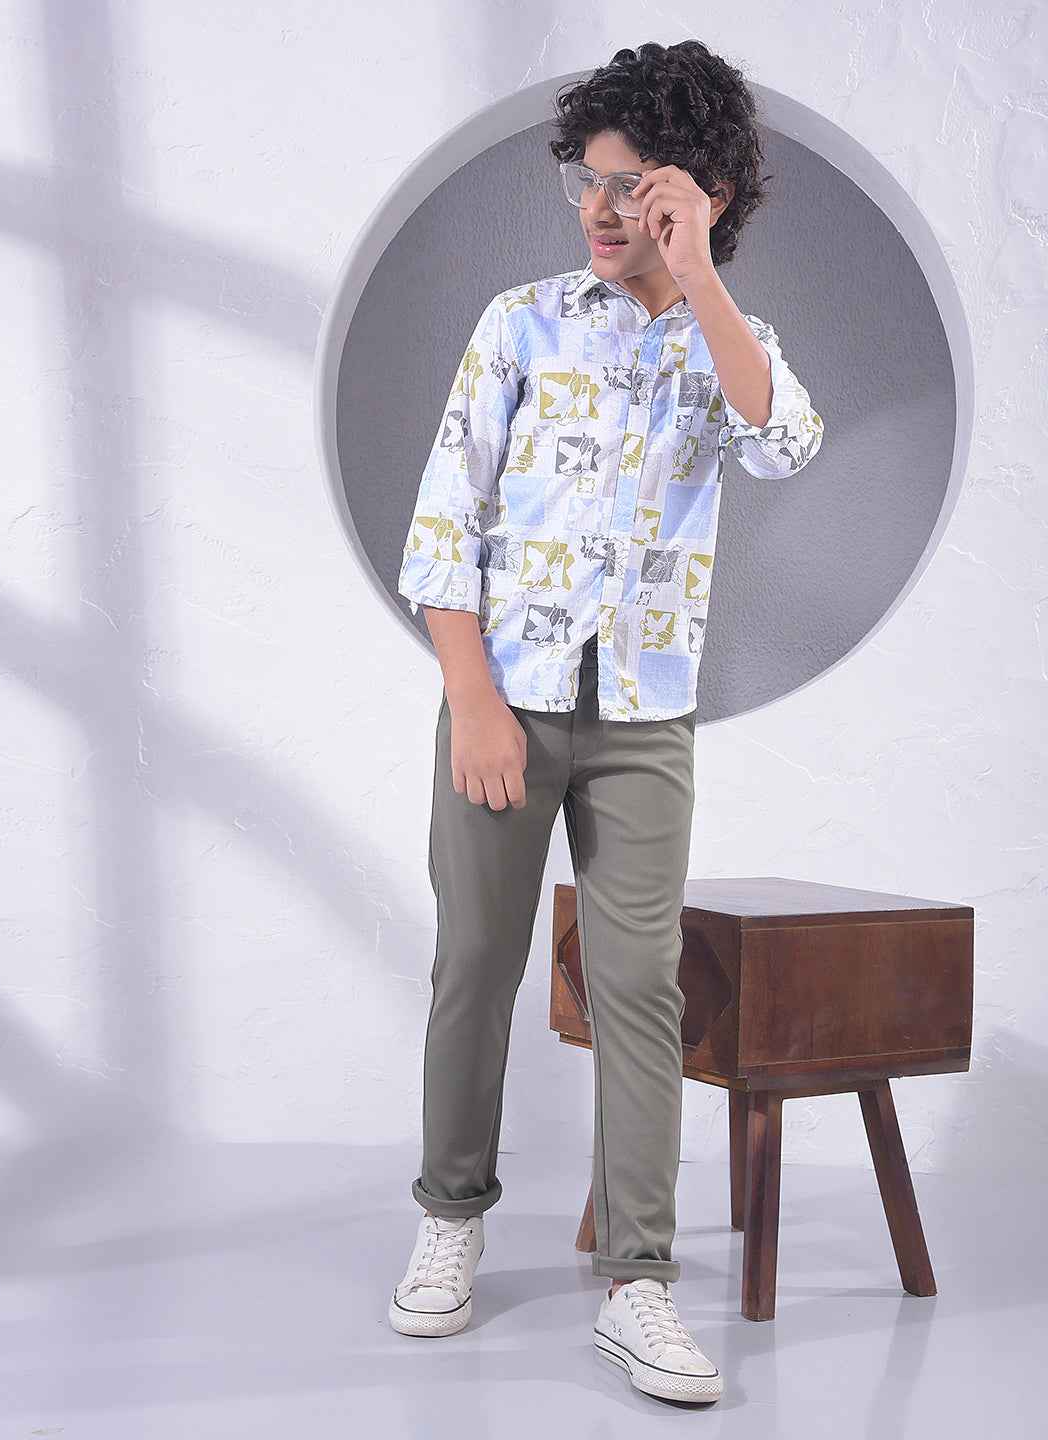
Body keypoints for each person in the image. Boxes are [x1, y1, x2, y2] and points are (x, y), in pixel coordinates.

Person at [388, 38, 824, 1405]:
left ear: (700, 195)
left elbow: (785, 442)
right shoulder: (521, 324)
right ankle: (449, 1219)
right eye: (589, 177)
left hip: (644, 720)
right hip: (505, 703)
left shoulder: (727, 342)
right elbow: (443, 530)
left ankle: (639, 1286)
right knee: (478, 964)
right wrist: (474, 702)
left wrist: (701, 279)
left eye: (633, 185)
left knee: (641, 985)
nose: (599, 205)